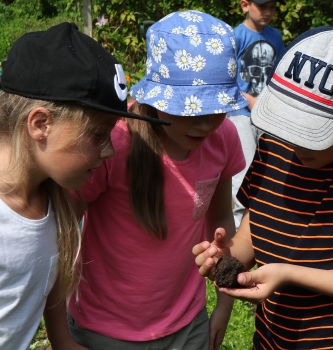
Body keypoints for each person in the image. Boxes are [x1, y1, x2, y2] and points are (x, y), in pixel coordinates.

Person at [0, 22, 167, 350]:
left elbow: (61, 339)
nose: (110, 150)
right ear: (40, 124)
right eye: (99, 134)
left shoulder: (56, 210)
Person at [193, 26, 333, 349]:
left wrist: (289, 274)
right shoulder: (273, 146)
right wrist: (227, 258)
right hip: (272, 339)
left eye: (315, 131)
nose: (297, 142)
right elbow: (252, 236)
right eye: (291, 121)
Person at [45, 10, 248, 350]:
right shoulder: (115, 144)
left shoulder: (223, 137)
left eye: (217, 107)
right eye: (189, 109)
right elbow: (59, 235)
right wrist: (61, 338)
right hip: (103, 332)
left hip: (187, 327)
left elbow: (221, 224)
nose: (205, 123)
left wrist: (224, 305)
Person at [227, 0, 285, 229]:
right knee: (243, 173)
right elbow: (227, 78)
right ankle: (236, 234)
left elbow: (280, 74)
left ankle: (263, 227)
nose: (268, 13)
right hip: (240, 113)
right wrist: (251, 101)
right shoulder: (235, 37)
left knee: (268, 169)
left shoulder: (275, 36)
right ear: (245, 5)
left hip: (267, 115)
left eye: (272, 7)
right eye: (262, 7)